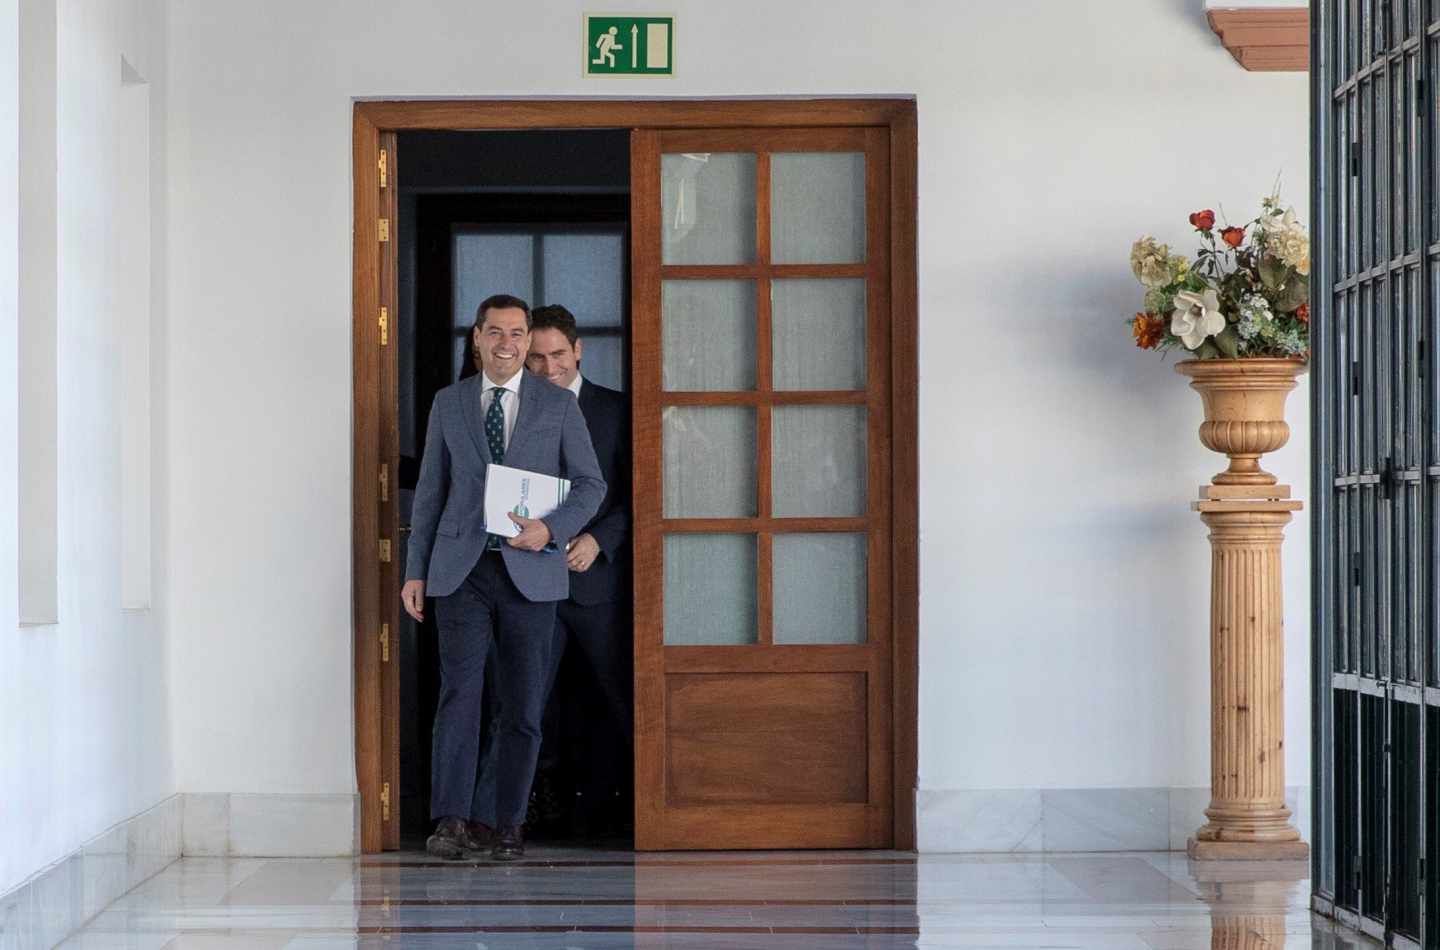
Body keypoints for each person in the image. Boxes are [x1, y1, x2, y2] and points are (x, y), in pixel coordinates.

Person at [401, 293, 605, 861]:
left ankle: (507, 823)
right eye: (495, 332)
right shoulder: (450, 402)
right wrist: (415, 571)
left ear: (526, 339)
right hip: (461, 570)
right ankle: (451, 821)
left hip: (530, 573)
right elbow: (432, 494)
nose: (507, 344)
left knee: (521, 705)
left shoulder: (558, 405)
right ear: (477, 338)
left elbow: (592, 485)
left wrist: (550, 530)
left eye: (517, 333)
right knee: (459, 696)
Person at [525, 305, 633, 832]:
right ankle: (525, 810)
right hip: (530, 581)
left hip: (598, 584)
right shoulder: (512, 410)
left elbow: (639, 493)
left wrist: (598, 539)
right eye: (537, 358)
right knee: (526, 701)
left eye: (558, 356)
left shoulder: (617, 409)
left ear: (579, 350)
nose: (548, 369)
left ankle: (633, 805)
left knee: (619, 695)